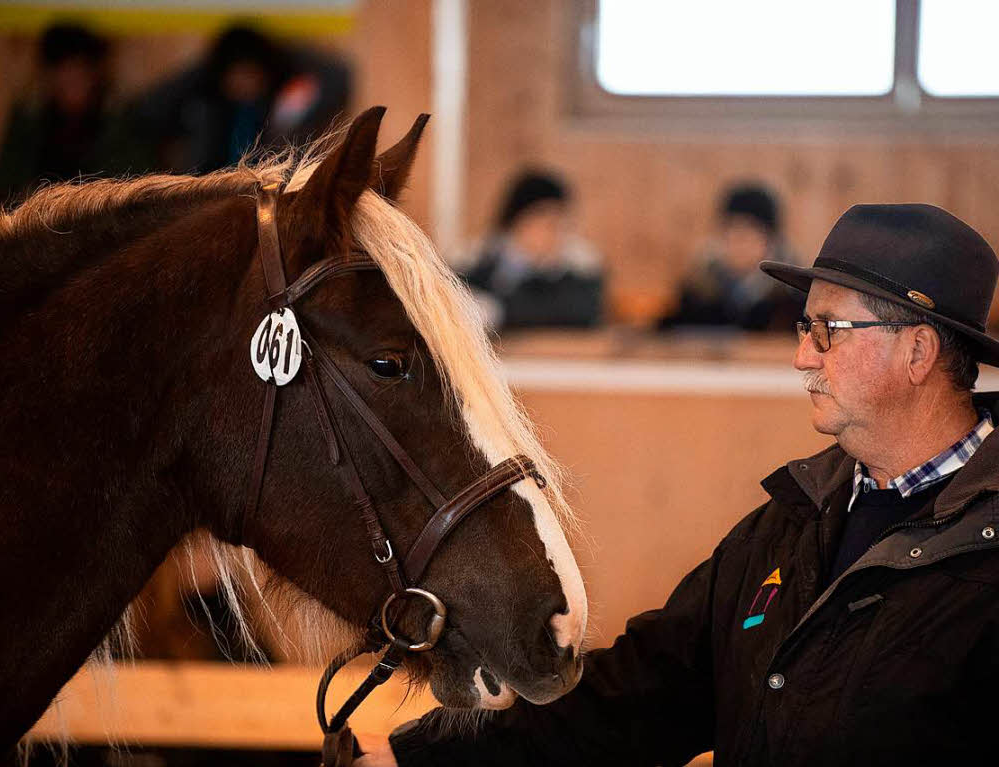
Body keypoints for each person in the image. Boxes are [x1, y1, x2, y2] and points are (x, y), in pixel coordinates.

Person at [359, 204, 999, 766]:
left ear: (918, 353)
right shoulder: (792, 521)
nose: (803, 356)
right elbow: (632, 692)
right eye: (805, 330)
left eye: (828, 330)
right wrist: (420, 758)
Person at [133, 24, 350, 174]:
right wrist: (201, 69)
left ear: (266, 73)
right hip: (210, 198)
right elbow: (148, 111)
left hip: (266, 197)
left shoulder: (284, 107)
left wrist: (283, 50)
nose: (244, 83)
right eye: (236, 75)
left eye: (251, 74)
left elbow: (338, 77)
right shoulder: (205, 107)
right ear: (221, 75)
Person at [0, 22, 143, 201]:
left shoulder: (118, 122)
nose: (72, 84)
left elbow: (134, 184)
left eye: (79, 74)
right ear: (51, 77)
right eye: (64, 75)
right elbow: (5, 180)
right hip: (34, 217)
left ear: (94, 76)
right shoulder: (30, 120)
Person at [460, 169, 604, 330]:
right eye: (546, 223)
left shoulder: (580, 266)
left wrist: (498, 311)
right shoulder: (477, 259)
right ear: (517, 222)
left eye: (560, 224)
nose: (555, 234)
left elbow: (578, 311)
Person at [661, 183, 803, 331]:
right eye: (731, 232)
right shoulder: (698, 293)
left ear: (771, 241)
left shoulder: (790, 300)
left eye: (748, 233)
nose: (738, 243)